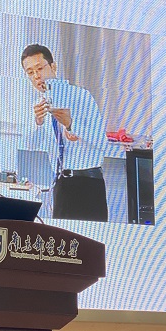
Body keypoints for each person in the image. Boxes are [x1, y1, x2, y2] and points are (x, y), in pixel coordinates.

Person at [21, 44, 108, 222]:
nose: (36, 76)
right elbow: (29, 145)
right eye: (30, 72)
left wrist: (71, 124)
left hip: (88, 184)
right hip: (61, 184)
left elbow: (102, 142)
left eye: (40, 68)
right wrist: (37, 123)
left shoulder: (81, 96)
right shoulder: (38, 106)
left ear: (53, 67)